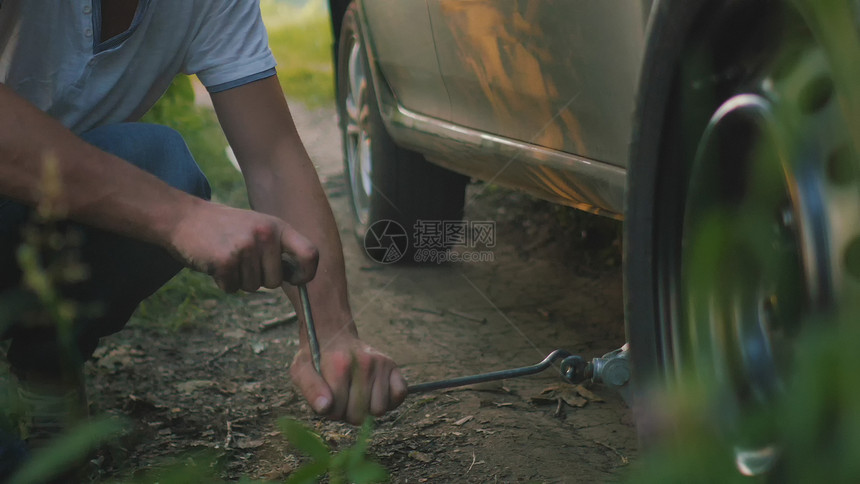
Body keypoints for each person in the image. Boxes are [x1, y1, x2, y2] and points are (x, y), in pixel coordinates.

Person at [0, 0, 407, 460]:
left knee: (163, 164)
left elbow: (273, 157)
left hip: (30, 219)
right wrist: (178, 217)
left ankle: (48, 368)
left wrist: (332, 334)